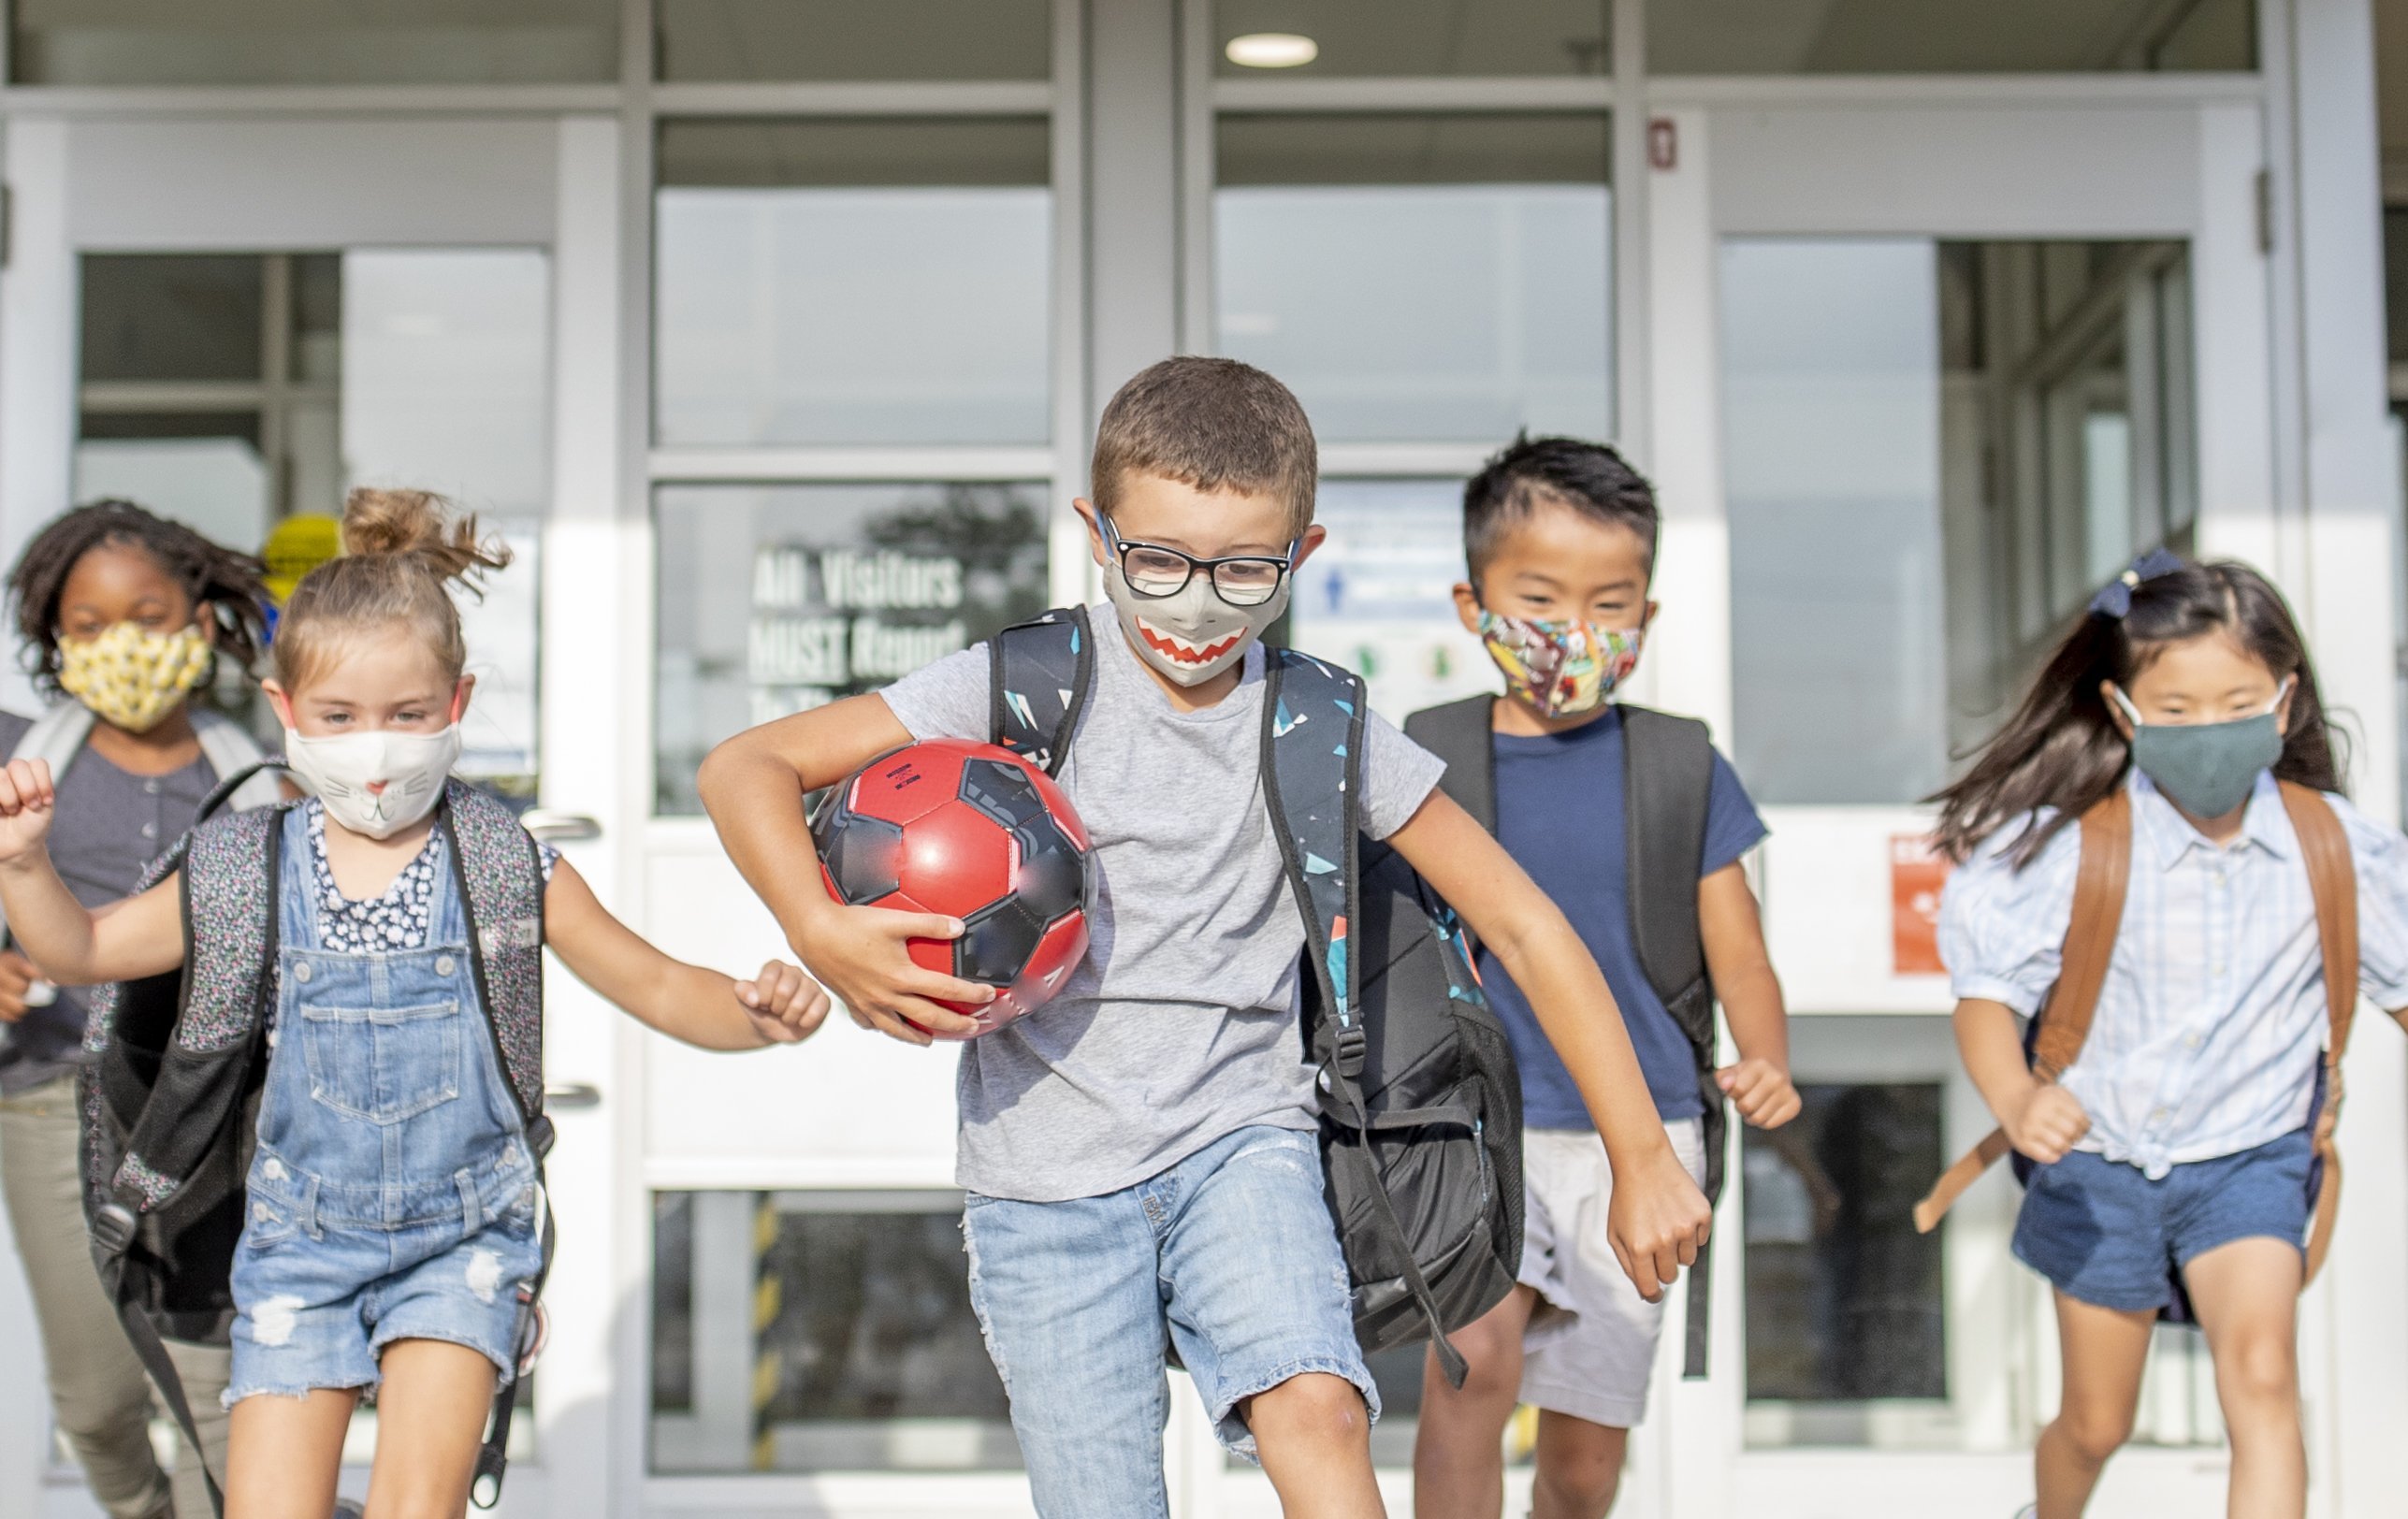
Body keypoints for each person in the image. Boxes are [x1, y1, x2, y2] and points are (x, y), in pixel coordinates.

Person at [696, 356, 1715, 1519]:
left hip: (1247, 1143)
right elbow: (745, 767)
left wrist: (1642, 1156)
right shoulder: (1031, 680)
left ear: (1303, 555)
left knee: (1321, 1413)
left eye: (1244, 570)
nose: (1195, 604)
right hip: (1043, 1184)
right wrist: (821, 928)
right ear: (1098, 532)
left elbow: (1525, 926)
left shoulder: (1320, 717)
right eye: (1159, 562)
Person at [0, 487, 833, 1519]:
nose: (376, 748)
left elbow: (658, 984)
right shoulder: (242, 865)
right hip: (298, 1242)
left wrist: (760, 1013)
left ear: (458, 702)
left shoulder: (503, 860)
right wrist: (25, 864)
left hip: (462, 1242)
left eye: (407, 715)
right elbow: (80, 948)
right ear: (284, 708)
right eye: (340, 719)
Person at [1930, 554, 2408, 1519]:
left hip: (2251, 1159)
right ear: (2121, 709)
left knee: (2264, 1377)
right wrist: (2019, 1101)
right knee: (2098, 1420)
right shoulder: (2073, 846)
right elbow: (1986, 999)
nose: (2209, 731)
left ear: (2284, 703)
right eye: (2177, 709)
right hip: (2101, 1169)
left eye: (2236, 701)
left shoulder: (2339, 849)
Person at [1405, 438, 1798, 1519]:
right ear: (1472, 601)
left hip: (1646, 1141)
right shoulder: (1423, 761)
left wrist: (1764, 1056)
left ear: (1648, 619)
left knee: (1582, 1459)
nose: (1575, 630)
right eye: (1539, 595)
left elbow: (1742, 950)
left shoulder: (1679, 766)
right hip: (1477, 1131)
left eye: (1609, 602)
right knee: (1473, 1368)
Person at [0, 499, 280, 1519]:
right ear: (53, 640)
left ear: (199, 622)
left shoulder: (262, 779)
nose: (120, 641)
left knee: (215, 1389)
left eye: (147, 614)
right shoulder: (14, 759)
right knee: (99, 1399)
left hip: (214, 1111)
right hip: (48, 1099)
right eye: (86, 625)